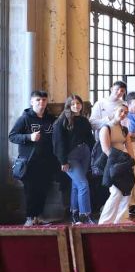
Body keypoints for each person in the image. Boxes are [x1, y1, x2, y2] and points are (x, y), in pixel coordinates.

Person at [10, 90, 57, 226]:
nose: (41, 103)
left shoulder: (51, 119)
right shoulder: (25, 118)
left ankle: (38, 216)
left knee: (43, 190)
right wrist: (28, 137)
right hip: (29, 162)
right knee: (31, 191)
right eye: (38, 100)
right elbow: (12, 136)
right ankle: (30, 218)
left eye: (43, 100)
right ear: (32, 102)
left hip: (47, 161)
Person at [53, 95, 96, 224]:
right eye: (73, 104)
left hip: (85, 153)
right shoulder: (62, 121)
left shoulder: (84, 120)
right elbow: (58, 143)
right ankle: (85, 215)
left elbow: (90, 139)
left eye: (78, 103)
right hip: (71, 157)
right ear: (68, 106)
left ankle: (75, 212)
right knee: (83, 185)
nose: (76, 106)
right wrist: (63, 161)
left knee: (77, 185)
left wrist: (93, 154)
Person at [98, 103, 135, 224]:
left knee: (127, 191)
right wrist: (120, 163)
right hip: (112, 164)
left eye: (126, 112)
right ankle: (104, 222)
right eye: (121, 111)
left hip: (125, 162)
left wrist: (131, 161)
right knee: (116, 193)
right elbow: (106, 149)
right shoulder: (106, 128)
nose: (123, 114)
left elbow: (129, 147)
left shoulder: (124, 129)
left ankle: (121, 219)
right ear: (114, 111)